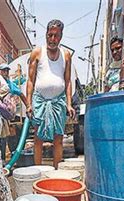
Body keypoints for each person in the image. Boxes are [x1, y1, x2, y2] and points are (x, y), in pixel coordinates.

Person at [26, 19, 75, 169]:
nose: (52, 39)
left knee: (58, 138)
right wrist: (28, 104)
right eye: (50, 35)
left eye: (56, 36)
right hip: (40, 101)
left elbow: (67, 81)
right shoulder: (37, 52)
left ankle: (56, 171)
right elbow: (30, 80)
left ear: (61, 37)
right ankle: (38, 171)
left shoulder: (66, 55)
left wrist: (69, 103)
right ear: (46, 35)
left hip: (58, 101)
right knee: (38, 139)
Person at [0, 63, 28, 162]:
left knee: (5, 137)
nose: (5, 72)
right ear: (0, 71)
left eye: (7, 71)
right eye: (3, 70)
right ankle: (1, 160)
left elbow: (21, 94)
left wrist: (28, 106)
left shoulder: (10, 84)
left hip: (6, 115)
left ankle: (9, 159)